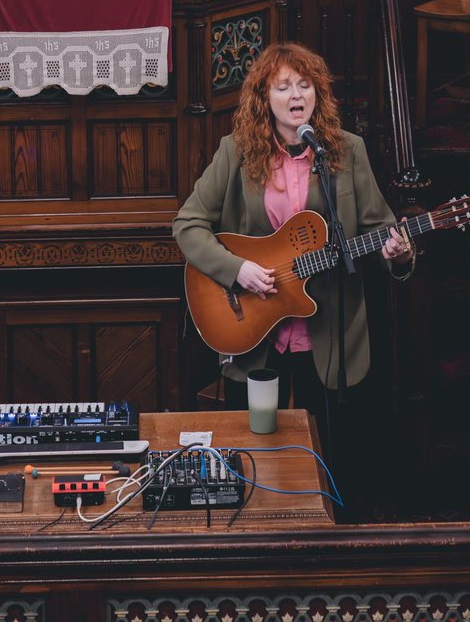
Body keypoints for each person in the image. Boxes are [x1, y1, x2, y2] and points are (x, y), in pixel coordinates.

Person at [173, 42, 414, 502]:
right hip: (256, 331)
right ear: (264, 96)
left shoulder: (347, 152)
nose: (295, 94)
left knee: (335, 461)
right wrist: (237, 269)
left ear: (318, 94)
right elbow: (187, 223)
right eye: (283, 86)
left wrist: (398, 251)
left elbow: (382, 230)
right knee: (257, 458)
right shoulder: (237, 151)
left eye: (305, 85)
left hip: (332, 338)